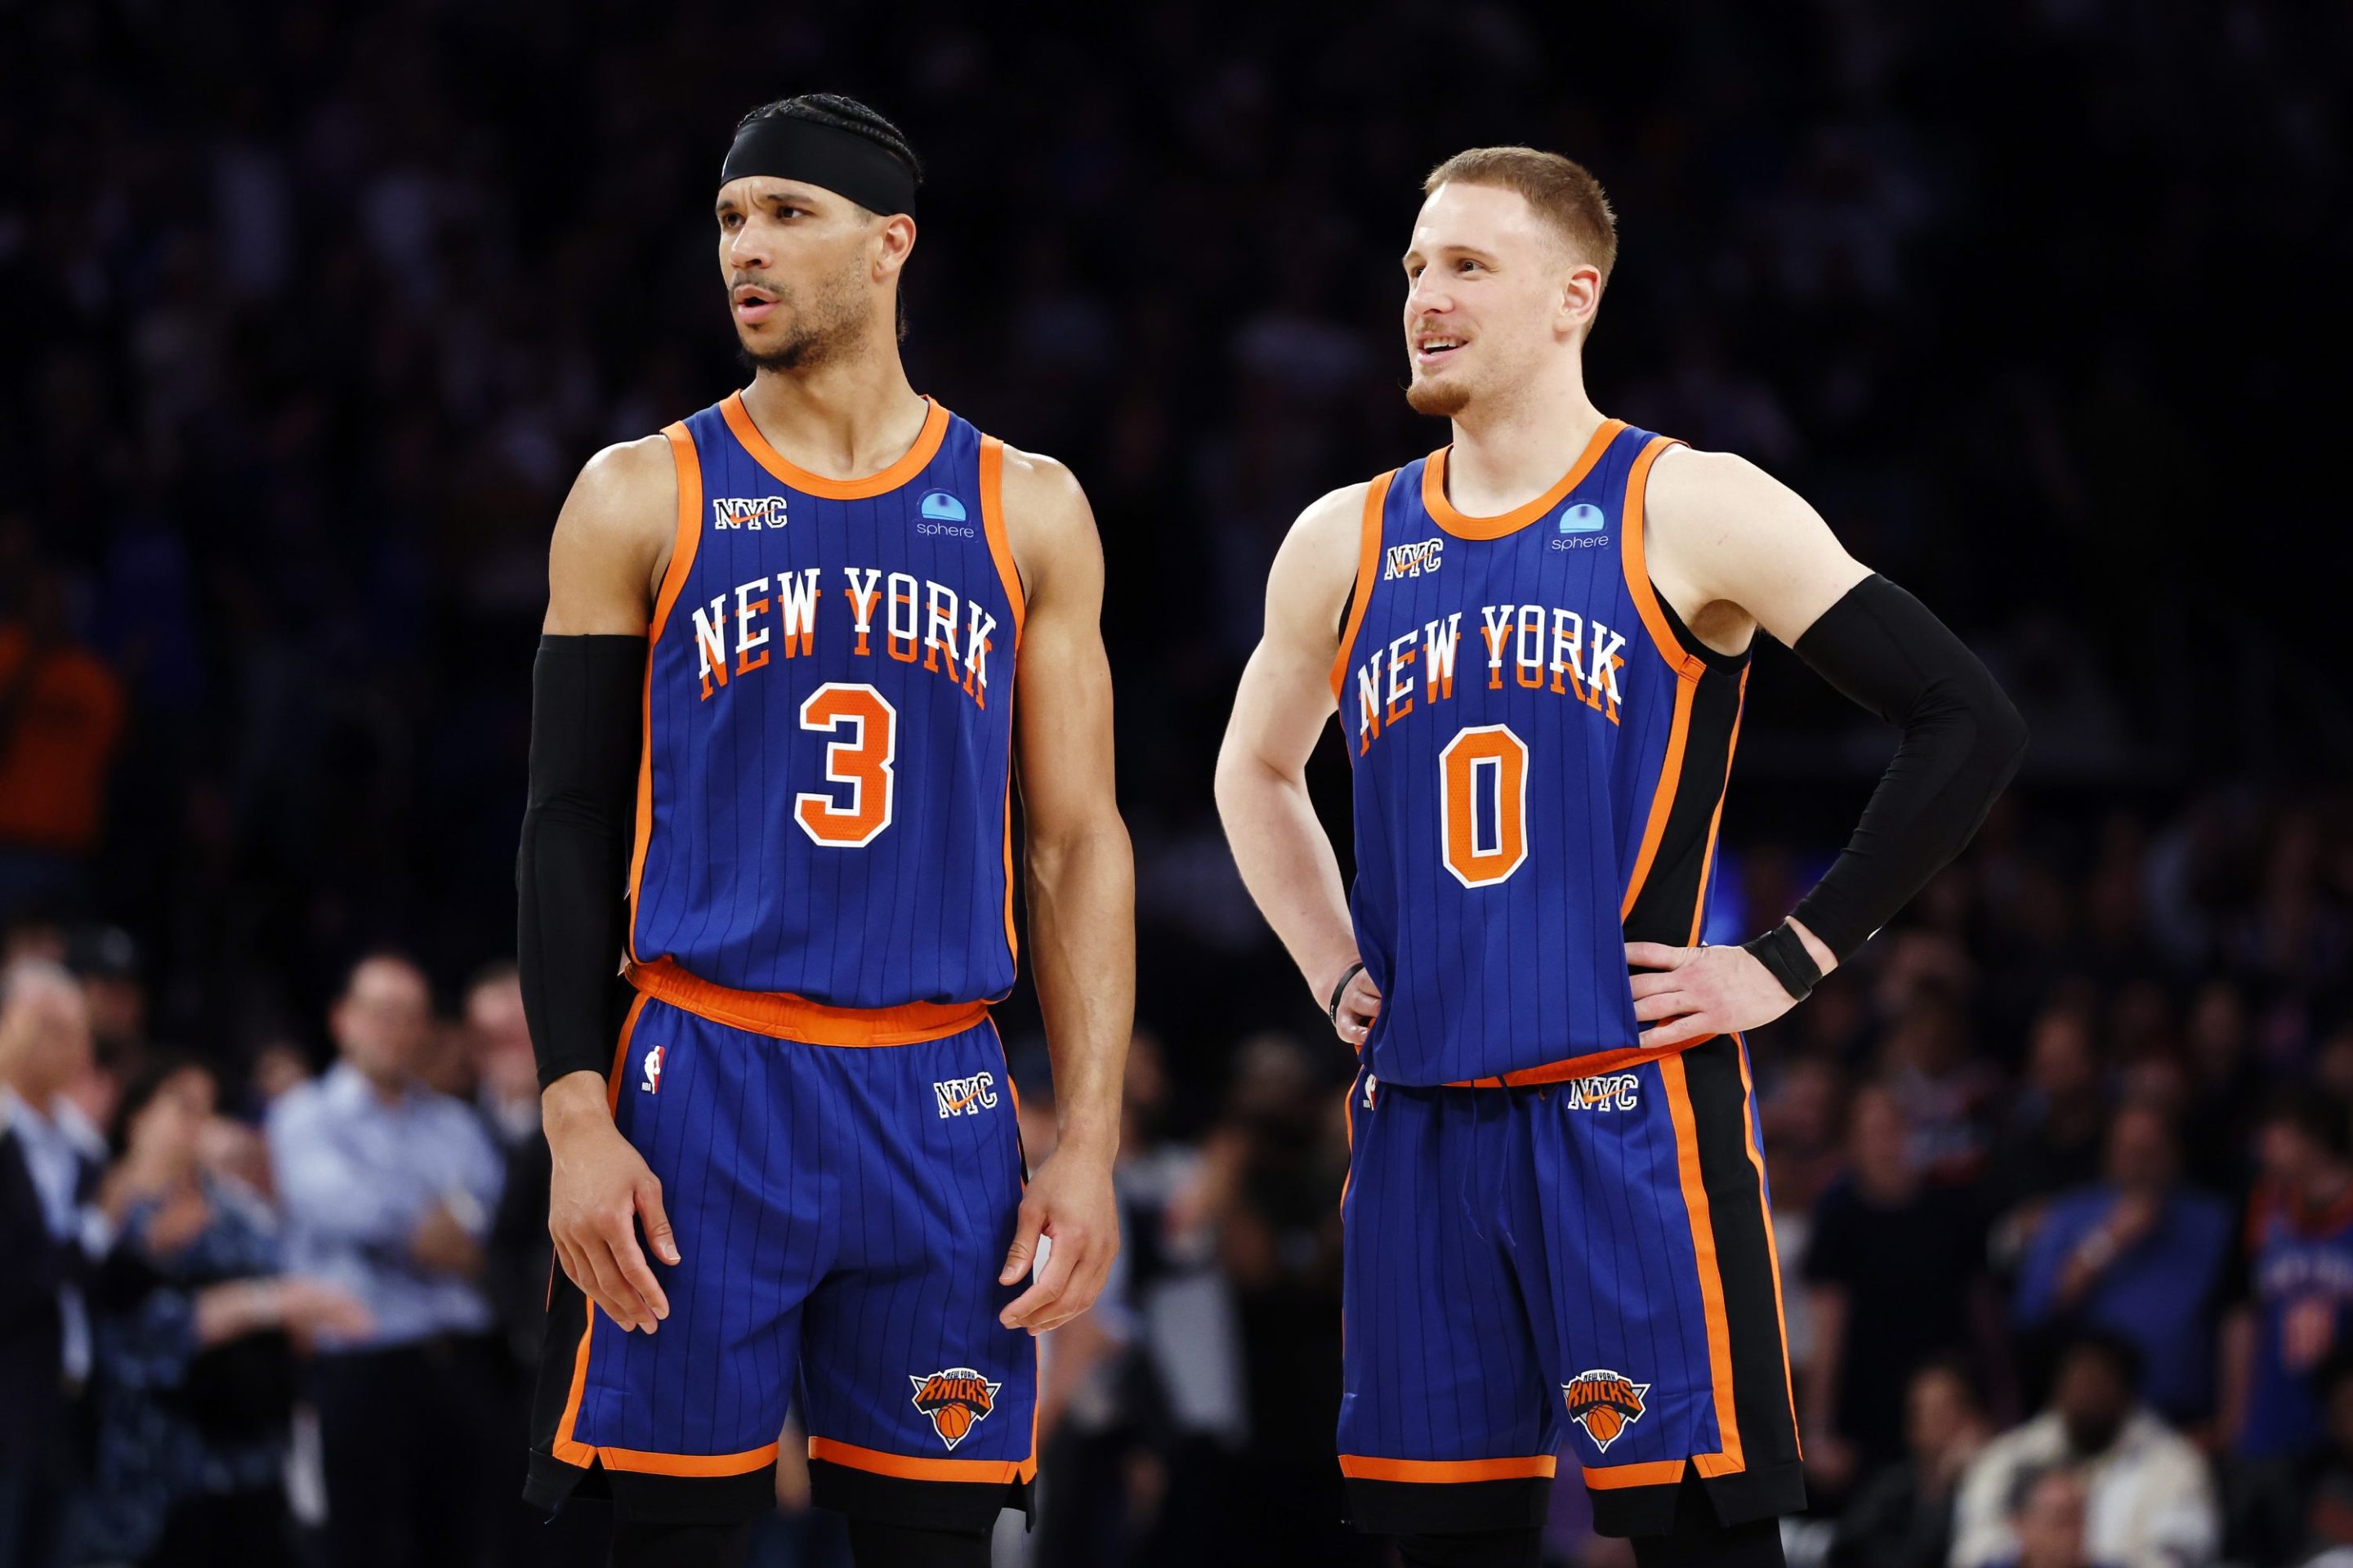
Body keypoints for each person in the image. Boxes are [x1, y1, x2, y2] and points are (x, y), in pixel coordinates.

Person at [1215, 146, 2025, 1567]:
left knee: (1702, 1542)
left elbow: (1966, 719)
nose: (1426, 295)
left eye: (1469, 264)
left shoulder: (1689, 502)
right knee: (1437, 1543)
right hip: (1415, 1116)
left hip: (1625, 1104)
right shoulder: (1342, 536)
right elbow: (1257, 766)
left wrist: (1792, 956)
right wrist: (1330, 961)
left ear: (1573, 297)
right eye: (1414, 267)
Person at [516, 93, 1133, 1568]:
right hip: (699, 1081)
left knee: (933, 1544)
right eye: (732, 217)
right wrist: (572, 1106)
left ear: (888, 245)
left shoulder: (1026, 505)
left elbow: (1075, 841)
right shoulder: (635, 491)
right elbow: (565, 819)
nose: (748, 247)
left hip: (939, 1094)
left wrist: (1092, 1139)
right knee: (667, 1541)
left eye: (789, 213)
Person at [76, 1056, 371, 1568]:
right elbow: (137, 1335)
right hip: (148, 1462)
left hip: (246, 1452)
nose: (198, 1124)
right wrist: (267, 1302)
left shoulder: (238, 1210)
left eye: (209, 1110)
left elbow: (291, 1309)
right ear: (137, 1115)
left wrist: (282, 1312)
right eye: (182, 1106)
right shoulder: (103, 1209)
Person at [265, 952, 507, 1568]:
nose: (394, 1030)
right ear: (342, 1019)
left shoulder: (455, 1120)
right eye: (380, 1012)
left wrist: (415, 1220)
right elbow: (346, 1210)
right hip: (361, 1363)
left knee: (468, 1546)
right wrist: (431, 1222)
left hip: (462, 1361)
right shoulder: (303, 1116)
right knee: (360, 1549)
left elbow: (491, 1231)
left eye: (410, 1016)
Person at [2011, 1101, 2233, 1424]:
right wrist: (2108, 1241)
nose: (2139, 1164)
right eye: (2129, 1151)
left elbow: (2240, 1322)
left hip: (2186, 1416)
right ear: (2108, 1154)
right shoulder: (2068, 1216)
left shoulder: (2214, 1222)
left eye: (2150, 1151)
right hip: (2091, 1419)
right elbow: (2034, 1313)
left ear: (2175, 1152)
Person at [0, 958, 109, 1568]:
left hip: (69, 1404)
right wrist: (100, 1225)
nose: (66, 1044)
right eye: (45, 1025)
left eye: (76, 1029)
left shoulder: (86, 1145)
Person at [1950, 1333, 2217, 1568]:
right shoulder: (2007, 1457)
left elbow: (2180, 1553)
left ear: (2126, 1391)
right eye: (2077, 1381)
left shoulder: (2176, 1464)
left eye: (2099, 1382)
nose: (2087, 1394)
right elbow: (1973, 1547)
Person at [2227, 1094, 2353, 1463]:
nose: (2264, 1148)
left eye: (2278, 1135)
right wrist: (2236, 1413)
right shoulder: (2264, 1205)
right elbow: (2240, 1314)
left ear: (2315, 1135)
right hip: (2272, 1413)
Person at [1827, 1360, 1989, 1568]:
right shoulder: (1890, 1490)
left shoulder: (1996, 1478)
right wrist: (1939, 1488)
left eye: (1946, 1408)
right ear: (1911, 1427)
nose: (1938, 1422)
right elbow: (1847, 1551)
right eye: (1927, 1412)